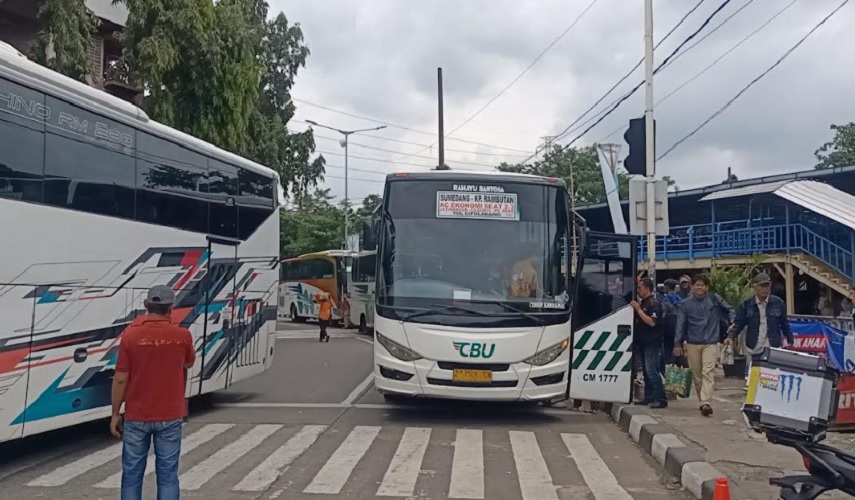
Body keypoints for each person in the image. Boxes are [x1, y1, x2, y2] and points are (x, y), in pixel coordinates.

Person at [111, 285, 196, 500]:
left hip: (136, 415)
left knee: (131, 473)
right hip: (170, 415)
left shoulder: (130, 336)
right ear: (171, 307)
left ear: (146, 305)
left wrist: (114, 413)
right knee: (168, 475)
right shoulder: (183, 336)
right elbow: (187, 364)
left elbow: (121, 378)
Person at [673, 274, 735, 417]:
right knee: (697, 376)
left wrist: (732, 323)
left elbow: (730, 309)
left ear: (707, 287)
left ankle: (706, 402)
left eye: (702, 285)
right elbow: (680, 325)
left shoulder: (714, 299)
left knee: (708, 372)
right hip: (693, 343)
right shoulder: (685, 304)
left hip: (711, 343)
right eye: (697, 285)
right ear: (692, 286)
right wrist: (677, 343)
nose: (699, 287)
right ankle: (702, 400)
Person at [726, 273, 793, 385]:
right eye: (762, 286)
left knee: (773, 377)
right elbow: (739, 324)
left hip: (773, 343)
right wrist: (730, 337)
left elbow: (784, 323)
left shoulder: (778, 303)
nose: (765, 289)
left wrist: (790, 338)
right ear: (755, 287)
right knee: (753, 376)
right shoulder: (746, 305)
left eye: (767, 286)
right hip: (753, 344)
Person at [631, 278, 667, 408]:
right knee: (646, 371)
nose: (638, 290)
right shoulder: (644, 302)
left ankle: (661, 398)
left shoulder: (653, 303)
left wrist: (639, 310)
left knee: (652, 370)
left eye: (640, 288)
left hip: (652, 341)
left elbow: (652, 322)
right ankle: (649, 397)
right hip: (643, 341)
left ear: (647, 288)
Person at [660, 278, 683, 370]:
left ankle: (670, 372)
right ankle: (680, 370)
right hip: (678, 329)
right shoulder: (680, 299)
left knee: (668, 352)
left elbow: (663, 314)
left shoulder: (666, 299)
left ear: (666, 287)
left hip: (668, 330)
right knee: (679, 351)